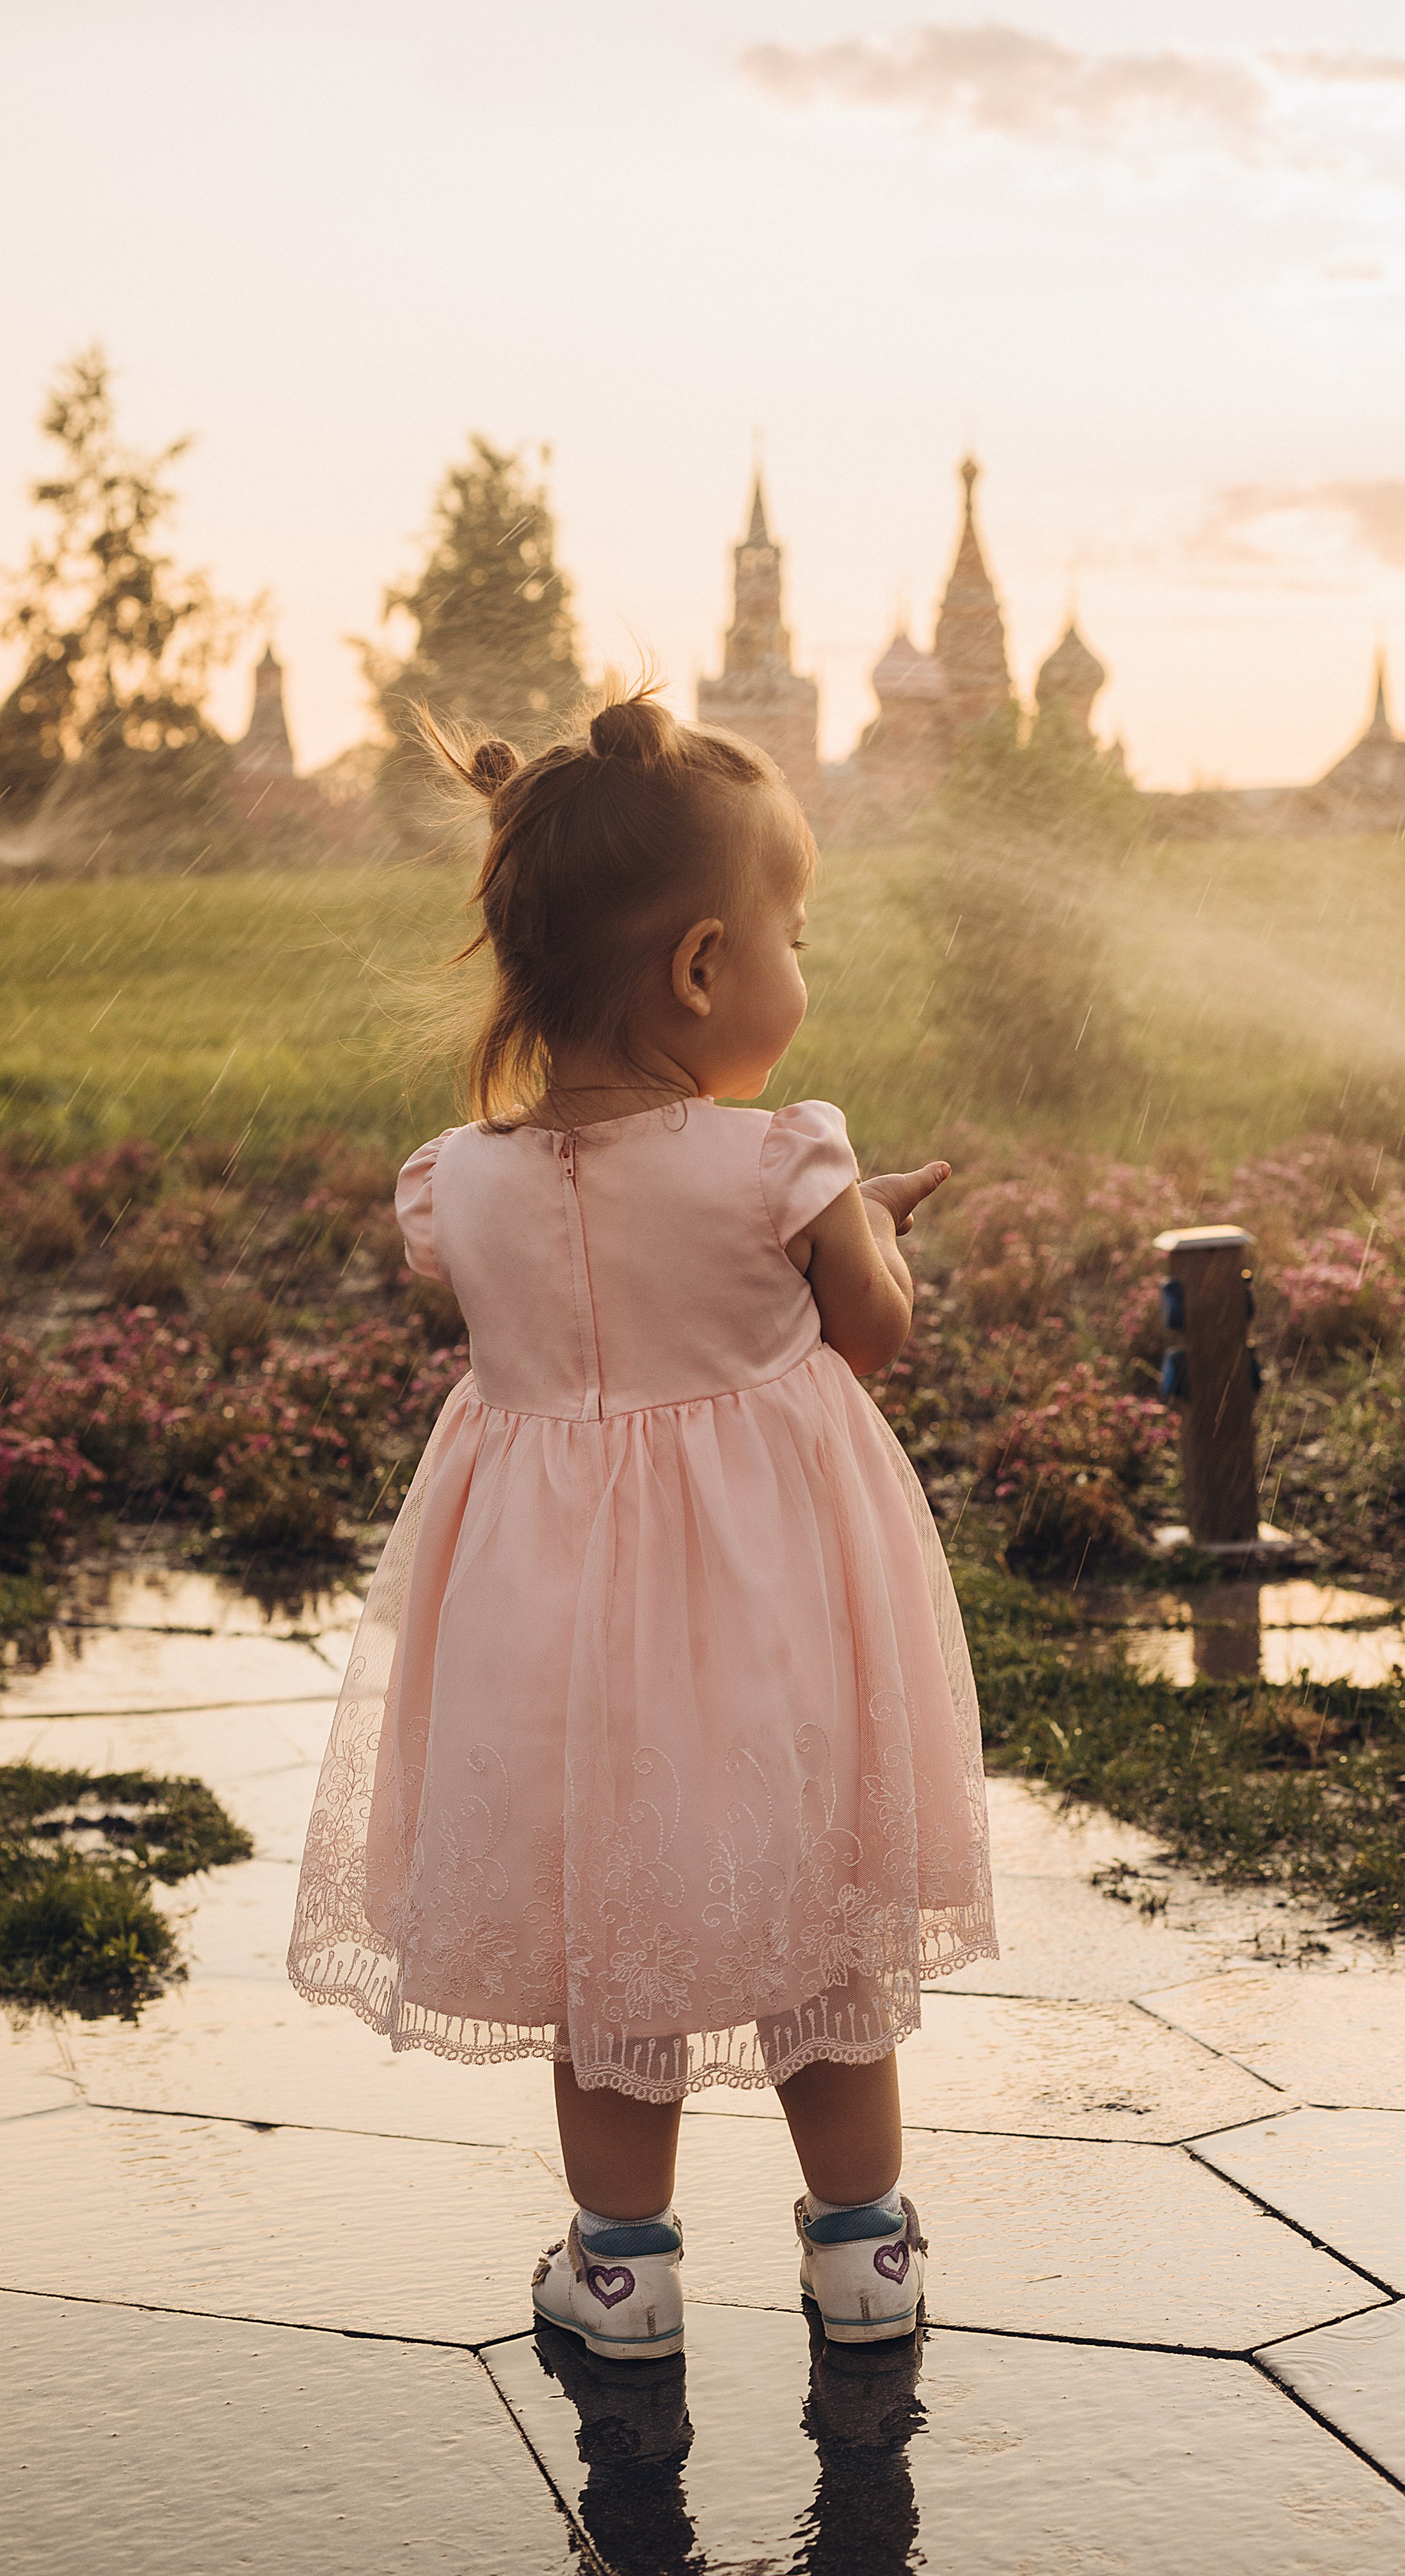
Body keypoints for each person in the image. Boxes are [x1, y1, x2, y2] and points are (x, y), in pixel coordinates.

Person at [288, 677, 997, 2360]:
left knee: (596, 1943)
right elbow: (870, 1333)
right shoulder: (779, 1162)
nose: (798, 971)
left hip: (549, 1645)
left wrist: (824, 1226)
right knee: (817, 1919)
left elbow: (557, 1271)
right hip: (765, 1620)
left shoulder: (452, 1180)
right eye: (792, 935)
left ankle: (621, 2273)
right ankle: (861, 2254)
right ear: (701, 967)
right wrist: (863, 1233)